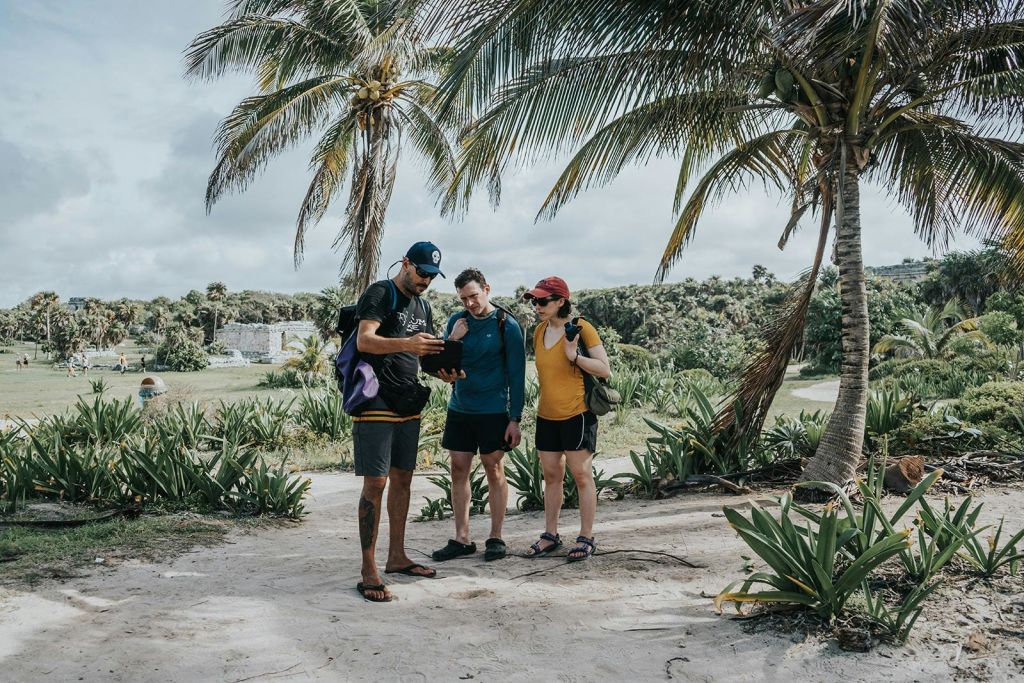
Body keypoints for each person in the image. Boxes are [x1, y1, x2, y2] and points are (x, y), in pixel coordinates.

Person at [352, 241, 447, 603]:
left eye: (432, 276)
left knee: (403, 480)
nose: (425, 280)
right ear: (406, 264)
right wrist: (407, 343)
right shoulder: (380, 292)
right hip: (375, 396)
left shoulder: (423, 306)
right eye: (421, 272)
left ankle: (396, 556)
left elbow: (423, 355)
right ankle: (368, 567)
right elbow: (365, 340)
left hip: (408, 399)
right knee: (375, 483)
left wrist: (445, 372)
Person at [431, 268, 526, 564]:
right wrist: (454, 339)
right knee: (458, 469)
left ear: (487, 288)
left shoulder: (506, 325)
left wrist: (515, 418)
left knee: (493, 468)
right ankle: (462, 538)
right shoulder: (456, 321)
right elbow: (445, 367)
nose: (469, 303)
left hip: (493, 409)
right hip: (460, 407)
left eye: (473, 296)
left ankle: (496, 537)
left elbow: (517, 375)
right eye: (463, 299)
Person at [522, 276, 610, 562]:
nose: (537, 305)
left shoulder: (582, 329)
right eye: (534, 300)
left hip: (577, 414)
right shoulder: (538, 331)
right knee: (551, 476)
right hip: (546, 415)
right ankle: (550, 535)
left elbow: (604, 369)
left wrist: (575, 357)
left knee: (582, 476)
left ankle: (586, 537)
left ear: (561, 301)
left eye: (543, 301)